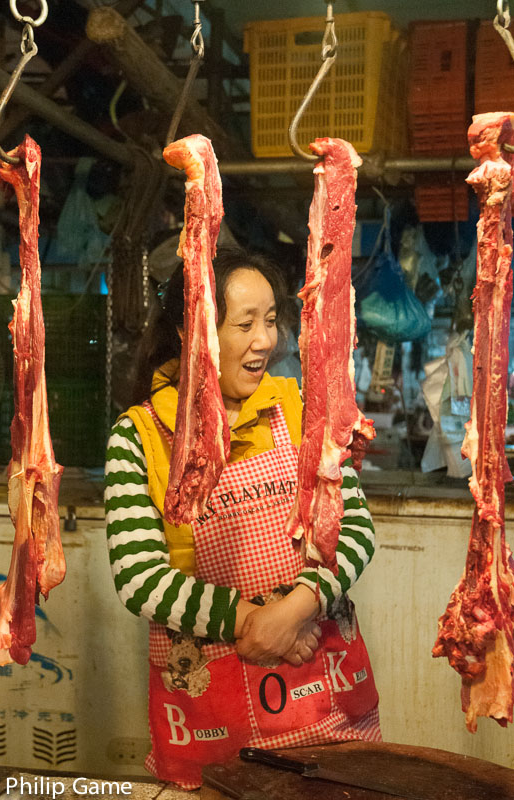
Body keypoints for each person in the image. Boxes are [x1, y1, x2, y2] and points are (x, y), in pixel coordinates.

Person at [104, 247, 380, 790]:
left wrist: (295, 611)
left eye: (272, 320)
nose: (265, 341)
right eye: (245, 324)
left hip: (318, 684)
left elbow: (357, 528)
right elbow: (140, 578)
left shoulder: (301, 409)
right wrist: (253, 623)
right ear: (192, 332)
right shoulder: (137, 436)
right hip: (211, 712)